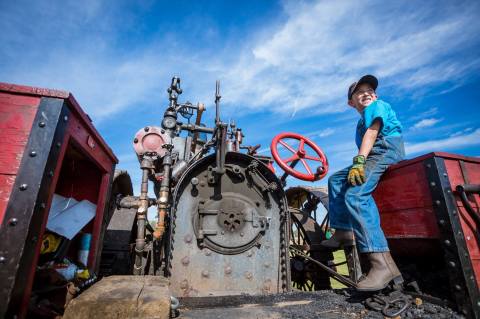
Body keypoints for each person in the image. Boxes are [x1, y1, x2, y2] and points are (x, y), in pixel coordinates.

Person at [321, 75, 405, 291]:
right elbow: (367, 134)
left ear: (375, 95)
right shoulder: (360, 122)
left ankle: (382, 264)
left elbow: (373, 132)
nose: (366, 93)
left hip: (386, 149)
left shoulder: (377, 106)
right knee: (336, 180)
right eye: (360, 92)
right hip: (374, 152)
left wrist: (359, 161)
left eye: (370, 90)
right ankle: (343, 232)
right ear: (351, 102)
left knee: (356, 195)